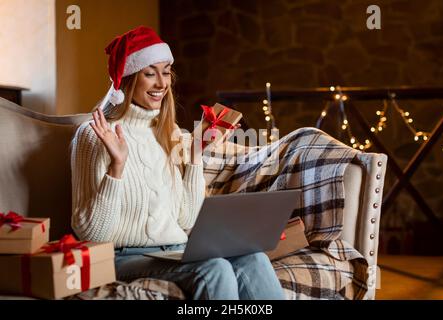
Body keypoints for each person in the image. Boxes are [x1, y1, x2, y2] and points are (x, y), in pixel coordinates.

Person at [70, 26, 285, 300]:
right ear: (128, 80)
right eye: (150, 73)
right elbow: (92, 232)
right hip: (121, 256)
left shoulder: (167, 133)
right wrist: (117, 166)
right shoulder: (94, 135)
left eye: (166, 71)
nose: (162, 83)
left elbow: (186, 218)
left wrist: (195, 155)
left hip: (174, 249)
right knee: (214, 269)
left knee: (253, 258)